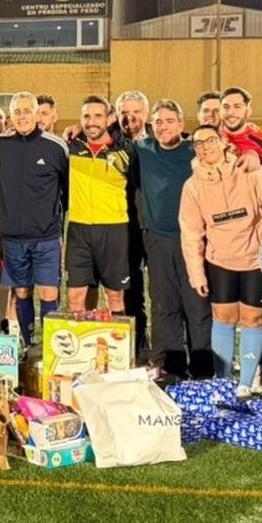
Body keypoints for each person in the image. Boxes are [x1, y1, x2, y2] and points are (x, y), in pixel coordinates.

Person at [180, 125, 262, 393]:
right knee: (223, 318)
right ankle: (223, 381)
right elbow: (191, 232)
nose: (205, 147)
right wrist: (197, 274)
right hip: (220, 261)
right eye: (198, 143)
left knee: (253, 319)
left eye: (210, 140)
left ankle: (246, 383)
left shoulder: (250, 171)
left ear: (224, 141)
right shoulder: (192, 185)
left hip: (254, 260)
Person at [132, 101, 212, 378]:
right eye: (158, 122)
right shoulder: (143, 150)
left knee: (197, 305)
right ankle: (170, 366)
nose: (163, 126)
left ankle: (203, 368)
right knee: (164, 305)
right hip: (158, 241)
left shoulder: (195, 152)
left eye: (169, 120)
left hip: (193, 241)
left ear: (181, 124)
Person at [0, 93, 68, 346]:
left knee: (48, 292)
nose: (22, 116)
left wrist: (58, 229)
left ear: (37, 114)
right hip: (12, 237)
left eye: (27, 110)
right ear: (10, 116)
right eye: (17, 111)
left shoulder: (56, 147)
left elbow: (66, 192)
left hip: (46, 236)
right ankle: (29, 342)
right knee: (22, 292)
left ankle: (48, 348)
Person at [66, 96, 132, 313]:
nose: (91, 121)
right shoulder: (71, 147)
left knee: (114, 295)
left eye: (97, 116)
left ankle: (117, 347)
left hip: (114, 228)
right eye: (86, 116)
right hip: (78, 229)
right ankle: (79, 346)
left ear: (110, 119)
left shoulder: (125, 152)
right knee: (75, 296)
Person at [114, 90, 152, 352]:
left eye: (136, 112)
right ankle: (138, 342)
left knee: (164, 290)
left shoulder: (163, 139)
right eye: (124, 113)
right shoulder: (111, 142)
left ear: (146, 114)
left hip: (157, 226)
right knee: (130, 289)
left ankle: (172, 346)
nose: (130, 118)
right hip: (124, 227)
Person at [219, 86, 262, 188]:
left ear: (248, 111)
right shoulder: (211, 138)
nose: (230, 112)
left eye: (237, 106)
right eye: (226, 107)